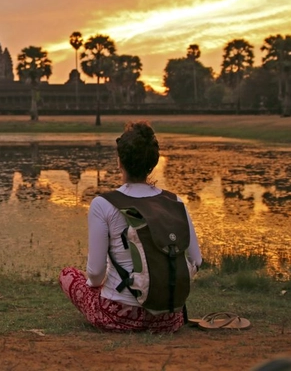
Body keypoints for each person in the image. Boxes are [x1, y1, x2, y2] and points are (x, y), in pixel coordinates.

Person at [59, 120, 202, 332]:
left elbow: (96, 273)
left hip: (118, 315)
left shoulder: (103, 204)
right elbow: (196, 260)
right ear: (152, 163)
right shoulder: (175, 202)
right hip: (170, 319)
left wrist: (106, 285)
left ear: (120, 162)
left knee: (68, 275)